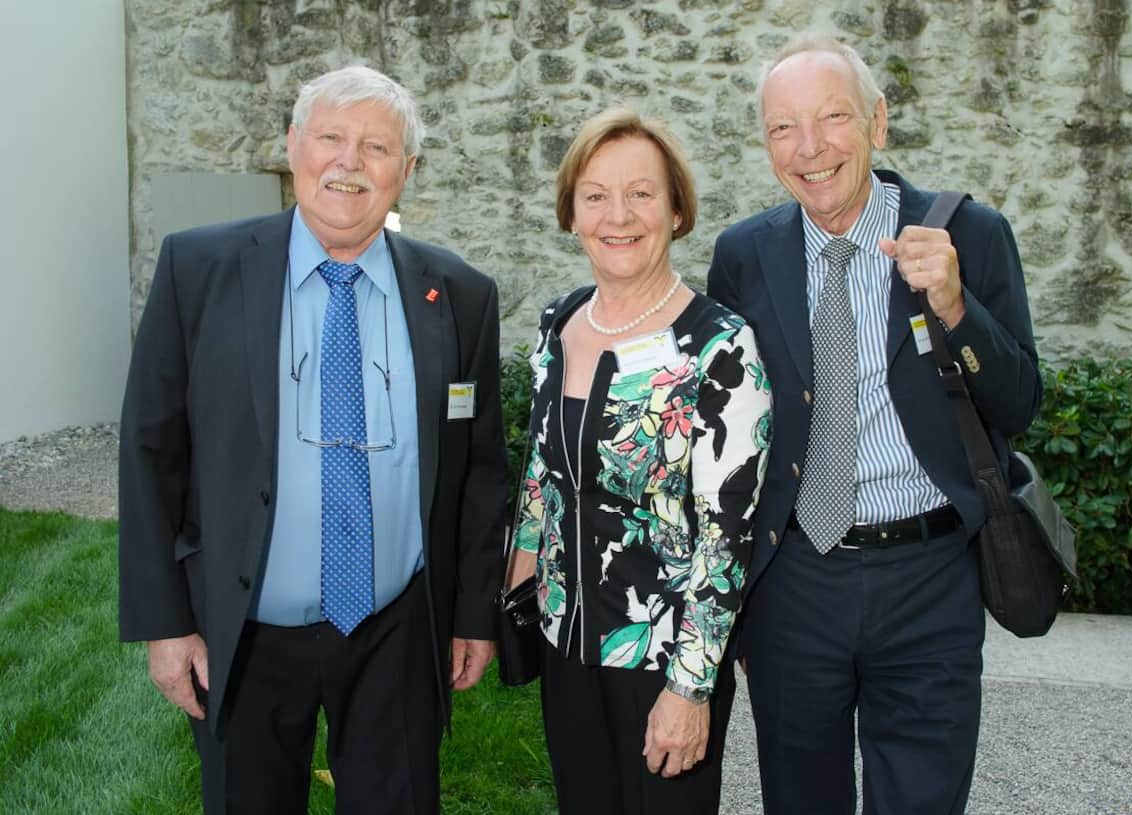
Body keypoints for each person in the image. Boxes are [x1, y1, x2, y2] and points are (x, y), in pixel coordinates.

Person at [118, 65, 507, 814]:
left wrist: (470, 615)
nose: (349, 162)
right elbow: (149, 449)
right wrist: (164, 622)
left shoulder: (459, 294)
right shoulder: (197, 270)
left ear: (408, 169)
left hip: (396, 626)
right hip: (245, 630)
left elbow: (479, 470)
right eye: (330, 137)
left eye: (376, 146)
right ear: (293, 145)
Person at [706, 36, 1042, 815]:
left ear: (877, 122)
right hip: (796, 580)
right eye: (782, 128)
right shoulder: (744, 255)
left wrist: (956, 307)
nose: (809, 147)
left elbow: (1019, 403)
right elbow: (732, 429)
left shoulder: (967, 233)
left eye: (832, 118)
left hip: (930, 575)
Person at [507, 107, 772, 814]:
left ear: (677, 210)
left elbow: (727, 539)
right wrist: (509, 600)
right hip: (567, 649)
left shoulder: (718, 347)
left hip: (663, 659)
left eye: (641, 194)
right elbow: (541, 479)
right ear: (570, 213)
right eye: (594, 195)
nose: (616, 215)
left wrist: (690, 688)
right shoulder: (559, 323)